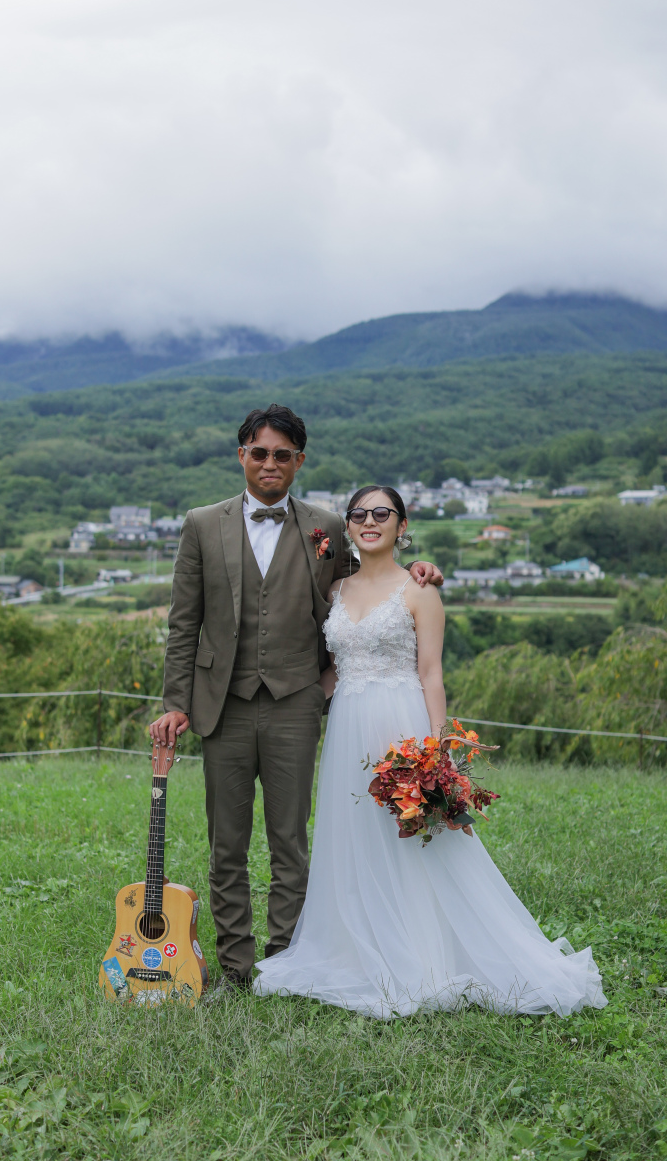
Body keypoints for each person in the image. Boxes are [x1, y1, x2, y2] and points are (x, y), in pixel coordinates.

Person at [254, 484, 607, 1017]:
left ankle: (425, 950)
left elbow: (430, 672)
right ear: (347, 525)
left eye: (381, 513)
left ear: (401, 524)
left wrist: (438, 746)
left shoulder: (418, 590)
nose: (369, 521)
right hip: (348, 724)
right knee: (353, 836)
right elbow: (331, 671)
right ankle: (353, 947)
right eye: (358, 514)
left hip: (402, 725)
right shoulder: (335, 592)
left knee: (417, 840)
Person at [149, 406, 442, 992]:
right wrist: (175, 701)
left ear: (299, 461)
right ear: (242, 457)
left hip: (296, 702)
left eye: (283, 454)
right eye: (259, 452)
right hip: (221, 704)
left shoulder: (327, 525)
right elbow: (184, 624)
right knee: (225, 841)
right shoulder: (202, 524)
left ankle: (285, 956)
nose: (270, 464)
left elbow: (370, 577)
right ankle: (235, 964)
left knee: (291, 838)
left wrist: (420, 568)